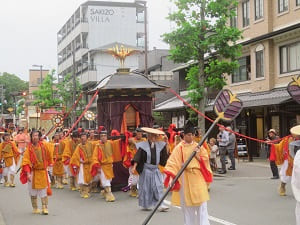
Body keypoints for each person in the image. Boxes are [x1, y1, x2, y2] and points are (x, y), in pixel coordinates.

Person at [164, 121, 212, 225]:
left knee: (202, 207)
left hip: (198, 177)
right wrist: (172, 178)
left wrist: (198, 156)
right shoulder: (179, 148)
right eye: (189, 135)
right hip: (184, 178)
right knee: (187, 209)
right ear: (184, 135)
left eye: (193, 135)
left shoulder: (199, 147)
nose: (191, 137)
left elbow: (206, 161)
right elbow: (173, 163)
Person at [132, 127, 169, 211]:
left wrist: (166, 143)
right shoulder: (143, 146)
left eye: (155, 136)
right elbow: (138, 157)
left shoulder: (160, 145)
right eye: (152, 136)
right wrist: (134, 166)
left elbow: (164, 157)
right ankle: (146, 204)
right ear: (148, 136)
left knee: (158, 186)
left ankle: (160, 204)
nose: (153, 138)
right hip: (146, 169)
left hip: (155, 169)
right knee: (146, 188)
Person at [20, 130, 53, 215]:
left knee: (43, 191)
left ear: (39, 137)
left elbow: (50, 152)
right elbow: (26, 161)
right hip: (33, 173)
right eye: (33, 135)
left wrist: (49, 163)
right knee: (33, 192)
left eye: (37, 135)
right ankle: (35, 208)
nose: (35, 137)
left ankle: (45, 207)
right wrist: (28, 173)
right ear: (31, 137)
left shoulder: (44, 146)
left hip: (42, 172)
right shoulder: (29, 149)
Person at [91, 130, 116, 202]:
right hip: (102, 166)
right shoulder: (97, 145)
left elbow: (117, 143)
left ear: (107, 137)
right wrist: (96, 163)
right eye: (101, 136)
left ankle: (104, 192)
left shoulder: (110, 143)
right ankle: (109, 195)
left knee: (109, 179)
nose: (103, 137)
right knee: (106, 181)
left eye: (104, 136)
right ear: (100, 137)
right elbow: (95, 156)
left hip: (110, 165)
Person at [123, 127, 146, 197]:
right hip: (133, 161)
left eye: (140, 134)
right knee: (134, 178)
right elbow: (129, 141)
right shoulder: (132, 140)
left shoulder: (144, 140)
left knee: (142, 177)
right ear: (135, 134)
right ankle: (133, 189)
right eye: (138, 134)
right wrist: (133, 141)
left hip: (141, 162)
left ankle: (141, 191)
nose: (139, 135)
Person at [70, 132, 93, 198]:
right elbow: (75, 156)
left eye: (84, 136)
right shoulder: (79, 146)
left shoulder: (91, 145)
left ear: (87, 137)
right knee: (82, 179)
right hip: (82, 165)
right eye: (82, 136)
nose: (83, 138)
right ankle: (84, 192)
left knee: (89, 179)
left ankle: (86, 191)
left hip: (89, 165)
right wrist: (75, 164)